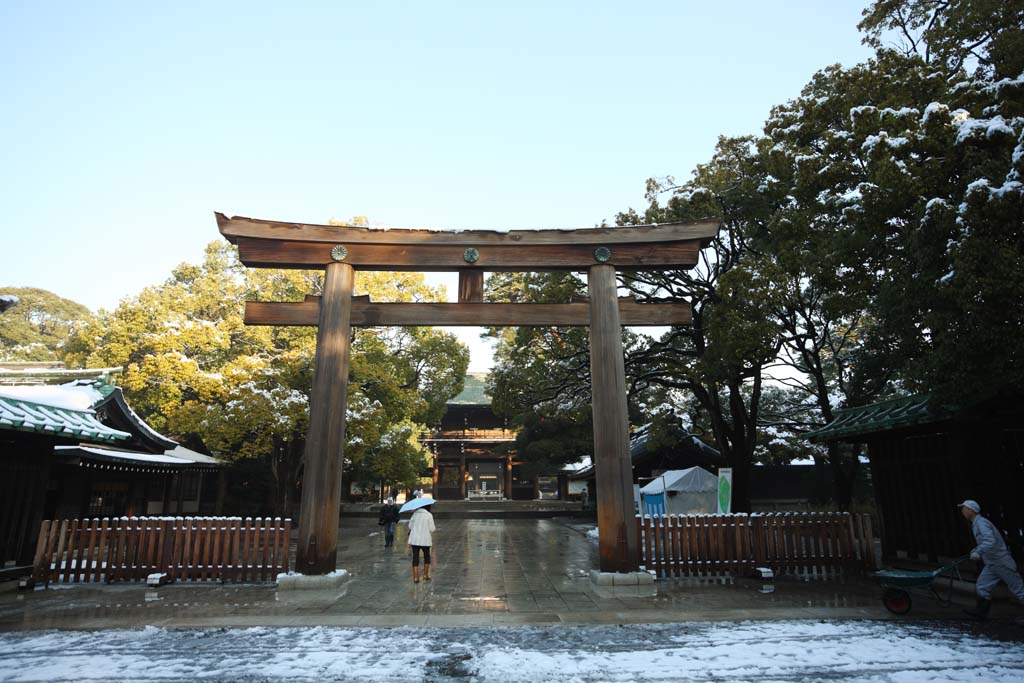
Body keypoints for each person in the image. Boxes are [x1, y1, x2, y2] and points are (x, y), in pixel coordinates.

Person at [958, 499, 1024, 619]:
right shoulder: (977, 523)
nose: (962, 511)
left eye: (964, 509)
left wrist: (978, 551)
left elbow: (990, 541)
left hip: (1001, 562)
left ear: (971, 510)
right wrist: (976, 550)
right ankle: (981, 612)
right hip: (992, 563)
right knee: (982, 586)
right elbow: (986, 542)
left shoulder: (981, 523)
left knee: (1018, 589)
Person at [407, 500, 436, 583]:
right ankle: (425, 575)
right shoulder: (428, 515)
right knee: (427, 556)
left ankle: (415, 577)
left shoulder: (415, 514)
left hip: (415, 539)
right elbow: (432, 528)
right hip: (425, 540)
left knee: (415, 557)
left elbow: (410, 526)